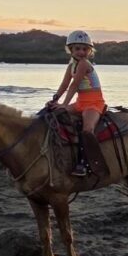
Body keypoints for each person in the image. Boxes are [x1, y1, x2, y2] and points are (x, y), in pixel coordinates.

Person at [46, 30, 107, 176]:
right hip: (81, 102)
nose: (81, 52)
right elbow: (64, 84)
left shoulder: (84, 64)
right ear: (70, 49)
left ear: (89, 51)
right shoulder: (71, 65)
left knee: (87, 130)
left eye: (85, 49)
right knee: (53, 116)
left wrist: (65, 105)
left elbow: (74, 85)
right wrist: (55, 100)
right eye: (77, 48)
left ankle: (85, 164)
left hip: (93, 102)